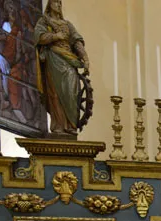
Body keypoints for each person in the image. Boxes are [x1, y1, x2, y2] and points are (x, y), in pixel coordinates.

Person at [34, 0, 90, 136]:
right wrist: (55, 36)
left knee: (72, 91)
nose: (58, 5)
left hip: (69, 60)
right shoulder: (44, 21)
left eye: (60, 3)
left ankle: (71, 125)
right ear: (50, 4)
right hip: (53, 59)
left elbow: (76, 41)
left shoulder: (67, 24)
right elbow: (39, 37)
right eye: (56, 2)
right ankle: (58, 125)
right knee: (55, 93)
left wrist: (85, 58)